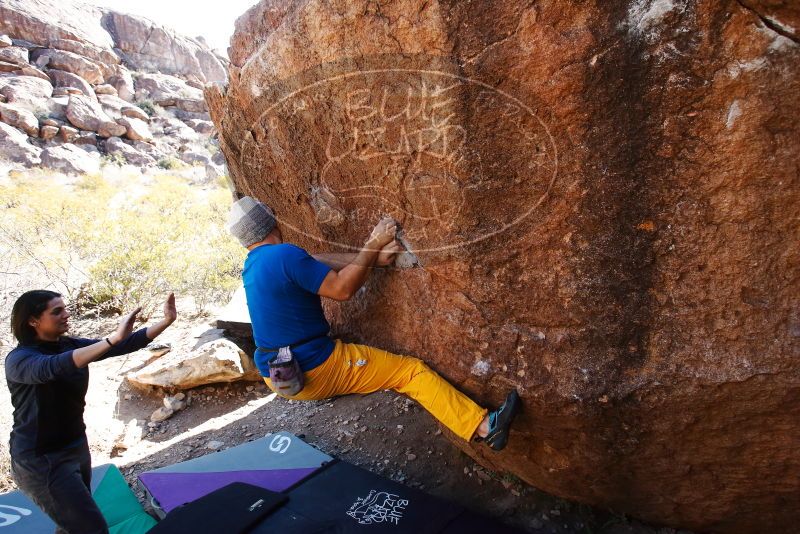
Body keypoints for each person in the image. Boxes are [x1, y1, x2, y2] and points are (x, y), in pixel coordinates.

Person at [227, 196, 520, 452]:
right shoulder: (285, 254)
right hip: (316, 366)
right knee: (409, 373)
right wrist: (373, 244)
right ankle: (484, 427)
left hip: (277, 371)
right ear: (271, 221)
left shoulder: (254, 264)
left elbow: (313, 261)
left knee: (386, 368)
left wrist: (373, 260)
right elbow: (342, 290)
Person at [5, 290, 177, 534]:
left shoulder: (67, 344)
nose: (66, 314)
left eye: (64, 308)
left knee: (73, 523)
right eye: (57, 311)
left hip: (75, 444)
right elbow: (52, 367)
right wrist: (111, 340)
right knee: (91, 528)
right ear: (33, 321)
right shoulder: (20, 359)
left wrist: (166, 321)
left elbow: (124, 343)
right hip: (40, 459)